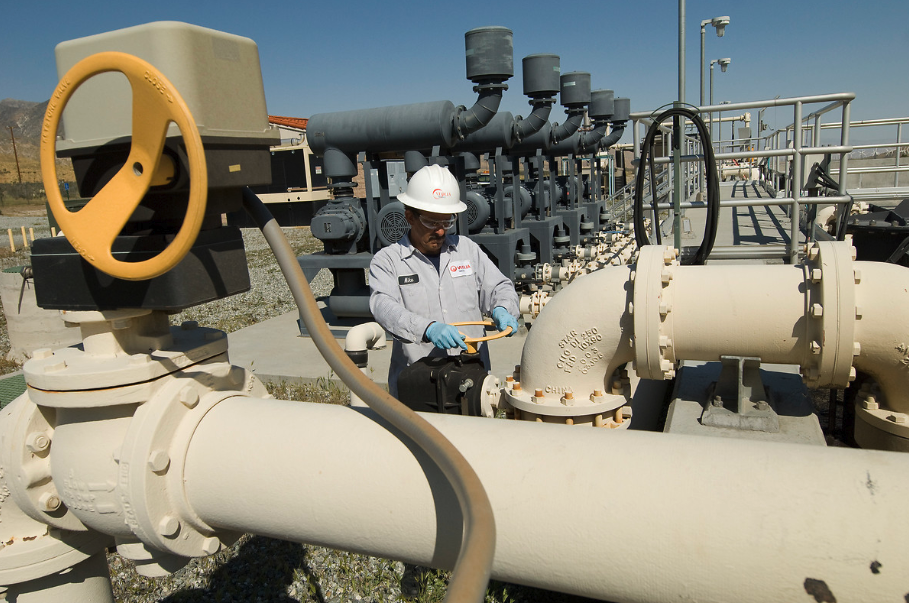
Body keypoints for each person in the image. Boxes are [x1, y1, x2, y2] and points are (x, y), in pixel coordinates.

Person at [369, 164, 520, 399]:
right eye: (431, 223)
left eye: (447, 222)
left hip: (471, 380)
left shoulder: (466, 250)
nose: (440, 232)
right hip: (419, 383)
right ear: (409, 217)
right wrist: (427, 328)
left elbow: (500, 286)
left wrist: (503, 308)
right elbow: (383, 306)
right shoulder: (388, 261)